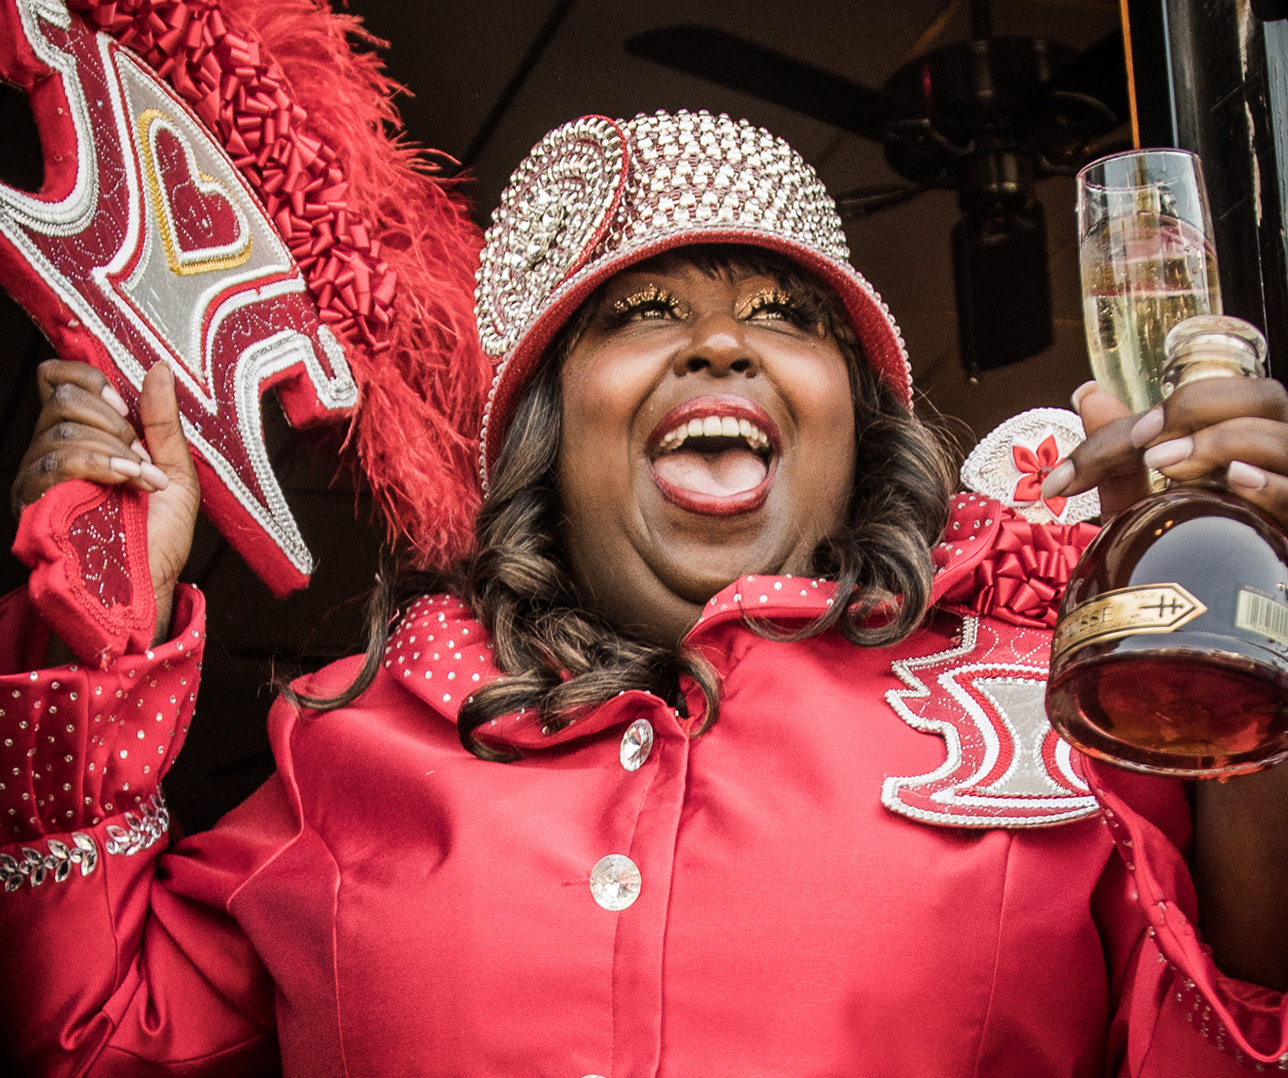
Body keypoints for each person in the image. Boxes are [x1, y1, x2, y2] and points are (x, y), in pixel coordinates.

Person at [1, 108, 1286, 1076]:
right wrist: (95, 595)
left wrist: (1265, 610)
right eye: (646, 309)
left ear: (856, 429)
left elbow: (1239, 1035)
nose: (720, 342)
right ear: (554, 433)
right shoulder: (352, 740)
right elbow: (86, 1039)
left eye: (786, 316)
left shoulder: (1040, 702)